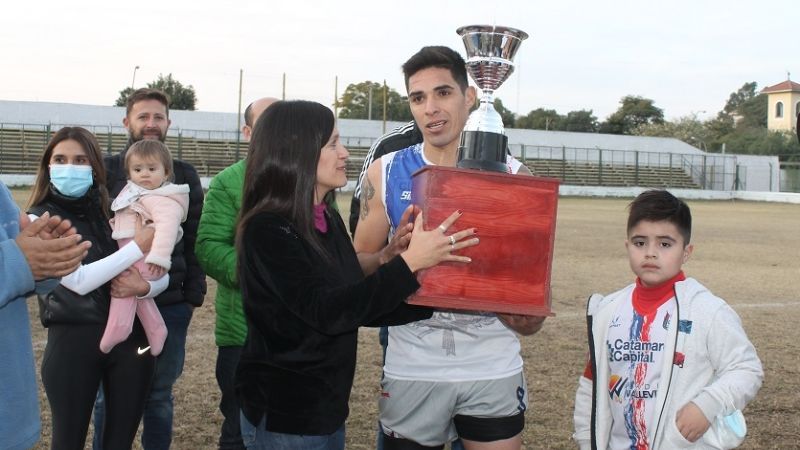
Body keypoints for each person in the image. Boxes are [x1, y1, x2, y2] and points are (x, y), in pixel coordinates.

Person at [235, 100, 478, 449]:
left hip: (324, 410)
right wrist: (407, 266)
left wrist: (395, 265)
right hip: (286, 416)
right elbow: (329, 311)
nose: (345, 153)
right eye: (333, 143)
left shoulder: (323, 216)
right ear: (297, 151)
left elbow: (355, 296)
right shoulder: (268, 229)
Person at [353, 46, 546, 450]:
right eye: (418, 98)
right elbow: (358, 265)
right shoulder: (385, 170)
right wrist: (393, 256)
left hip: (491, 360)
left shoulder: (515, 176)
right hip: (413, 362)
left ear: (470, 97)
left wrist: (515, 305)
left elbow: (533, 299)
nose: (430, 109)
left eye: (443, 93)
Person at [572, 189, 763, 449]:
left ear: (686, 251)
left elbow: (746, 369)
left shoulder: (707, 311)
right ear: (627, 246)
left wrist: (707, 405)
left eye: (665, 244)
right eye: (640, 243)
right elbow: (590, 385)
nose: (650, 253)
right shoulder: (608, 311)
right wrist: (587, 440)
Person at [27, 126, 166, 449]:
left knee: (120, 441)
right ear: (48, 166)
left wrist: (144, 287)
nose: (70, 167)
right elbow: (77, 280)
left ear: (96, 167)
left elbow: (162, 272)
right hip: (73, 344)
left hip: (133, 344)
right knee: (68, 440)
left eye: (80, 159)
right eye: (60, 159)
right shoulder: (36, 219)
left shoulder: (118, 211)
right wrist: (136, 247)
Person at [93, 88, 206, 450]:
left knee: (158, 395)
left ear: (169, 123)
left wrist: (190, 296)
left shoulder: (184, 177)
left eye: (158, 117)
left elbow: (194, 240)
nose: (151, 124)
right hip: (112, 299)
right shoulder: (105, 171)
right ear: (127, 122)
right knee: (106, 396)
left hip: (168, 302)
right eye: (143, 116)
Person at [196, 96, 277, 450]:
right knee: (240, 431)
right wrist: (260, 276)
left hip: (299, 336)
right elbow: (209, 247)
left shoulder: (310, 178)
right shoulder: (229, 182)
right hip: (243, 333)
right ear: (248, 132)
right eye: (267, 123)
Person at [1, 180, 90, 450]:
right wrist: (18, 262)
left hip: (9, 410)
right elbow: (13, 264)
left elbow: (17, 269)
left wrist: (46, 259)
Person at [100, 140, 190, 356]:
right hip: (133, 253)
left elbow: (167, 229)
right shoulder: (136, 192)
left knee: (123, 288)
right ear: (129, 173)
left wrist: (158, 257)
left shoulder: (162, 199)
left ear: (166, 172)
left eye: (152, 169)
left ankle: (118, 328)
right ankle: (156, 330)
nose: (144, 175)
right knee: (139, 297)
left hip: (147, 258)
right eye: (138, 169)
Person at [349, 120, 421, 236]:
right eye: (418, 100)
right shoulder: (388, 147)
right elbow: (359, 217)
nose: (430, 109)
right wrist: (394, 252)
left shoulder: (460, 146)